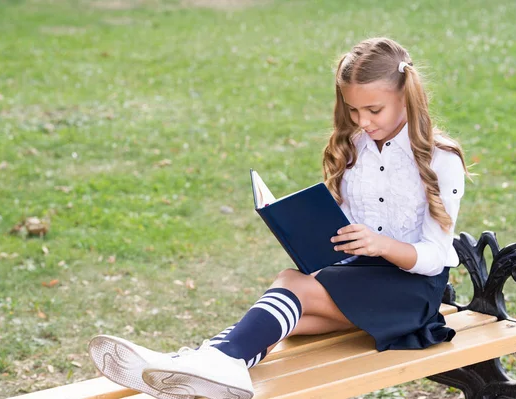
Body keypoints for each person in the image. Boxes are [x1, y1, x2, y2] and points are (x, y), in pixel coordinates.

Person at [87, 37, 469, 399]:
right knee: (278, 321)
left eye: (374, 110)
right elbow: (347, 227)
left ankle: (200, 362)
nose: (362, 121)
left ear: (407, 96)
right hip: (361, 280)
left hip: (411, 292)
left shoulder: (440, 160)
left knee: (291, 286)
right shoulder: (355, 147)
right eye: (353, 110)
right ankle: (203, 365)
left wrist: (381, 244)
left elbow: (436, 255)